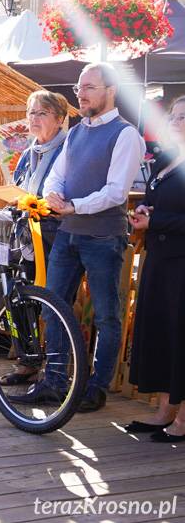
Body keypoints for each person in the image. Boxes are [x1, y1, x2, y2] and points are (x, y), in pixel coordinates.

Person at [14, 63, 145, 413]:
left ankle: (97, 387)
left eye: (88, 87)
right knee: (53, 307)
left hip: (103, 237)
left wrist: (73, 206)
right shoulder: (75, 133)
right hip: (69, 233)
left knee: (106, 316)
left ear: (110, 90)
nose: (81, 95)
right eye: (79, 88)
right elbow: (56, 175)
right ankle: (55, 382)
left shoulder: (126, 135)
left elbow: (116, 192)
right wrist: (53, 195)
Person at [124, 96, 185, 442]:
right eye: (173, 116)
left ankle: (183, 420)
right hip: (160, 260)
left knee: (180, 339)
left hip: (181, 265)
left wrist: (156, 220)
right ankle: (164, 411)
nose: (174, 122)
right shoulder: (169, 158)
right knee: (161, 334)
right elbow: (160, 201)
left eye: (182, 117)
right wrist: (145, 210)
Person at [13, 91, 69, 255]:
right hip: (27, 234)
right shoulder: (27, 153)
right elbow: (18, 187)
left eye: (42, 113)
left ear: (59, 119)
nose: (34, 118)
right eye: (32, 112)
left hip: (58, 237)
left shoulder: (68, 151)